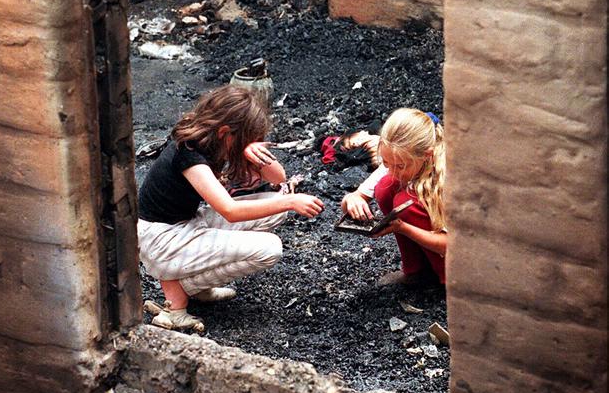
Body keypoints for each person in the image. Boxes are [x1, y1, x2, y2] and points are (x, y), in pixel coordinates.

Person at [137, 85, 324, 332]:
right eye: (248, 138)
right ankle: (178, 300)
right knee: (270, 248)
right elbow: (229, 210)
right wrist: (289, 200)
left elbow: (278, 179)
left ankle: (197, 287)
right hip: (161, 238)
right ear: (226, 132)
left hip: (186, 223)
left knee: (275, 209)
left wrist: (252, 151)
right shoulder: (189, 154)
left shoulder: (212, 140)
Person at [341, 108, 446, 286]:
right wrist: (353, 201)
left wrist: (403, 228)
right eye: (387, 163)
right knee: (385, 187)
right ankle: (417, 271)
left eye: (400, 166)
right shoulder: (398, 156)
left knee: (407, 201)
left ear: (427, 155)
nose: (393, 171)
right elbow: (354, 197)